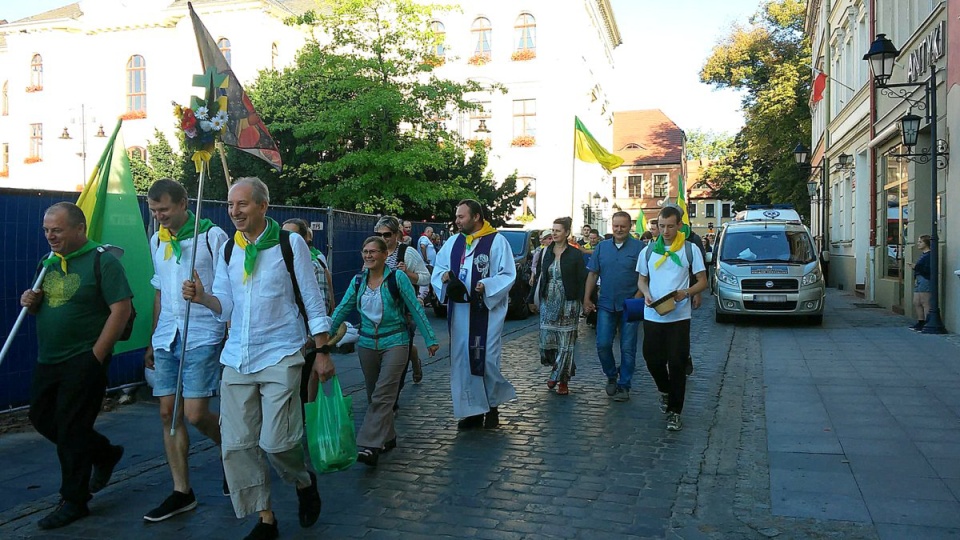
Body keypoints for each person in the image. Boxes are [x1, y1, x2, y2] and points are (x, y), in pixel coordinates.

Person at [182, 177, 329, 540]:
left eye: (242, 204)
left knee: (277, 441)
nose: (235, 212)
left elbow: (312, 300)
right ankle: (266, 518)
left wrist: (323, 351)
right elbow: (225, 303)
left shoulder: (288, 243)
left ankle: (302, 480)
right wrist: (203, 298)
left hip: (281, 351)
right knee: (235, 445)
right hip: (237, 357)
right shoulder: (229, 249)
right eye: (231, 205)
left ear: (263, 206)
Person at [21, 202, 132, 529]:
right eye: (46, 230)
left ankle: (74, 499)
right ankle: (104, 453)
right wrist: (31, 301)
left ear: (79, 229)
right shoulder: (49, 262)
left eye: (57, 230)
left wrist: (95, 356)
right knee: (41, 417)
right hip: (49, 357)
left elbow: (121, 309)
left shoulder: (103, 261)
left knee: (71, 426)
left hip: (83, 358)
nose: (50, 236)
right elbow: (44, 305)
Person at [143, 179, 229, 522]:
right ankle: (182, 491)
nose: (159, 216)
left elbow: (226, 288)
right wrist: (152, 338)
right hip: (168, 335)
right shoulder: (157, 240)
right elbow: (160, 291)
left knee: (195, 413)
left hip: (202, 333)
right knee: (168, 413)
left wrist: (206, 297)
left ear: (183, 204)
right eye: (153, 210)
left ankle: (232, 450)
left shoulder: (212, 237)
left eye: (164, 209)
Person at [329, 236, 439, 466]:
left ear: (383, 255)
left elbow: (414, 307)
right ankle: (387, 437)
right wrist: (324, 335)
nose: (368, 255)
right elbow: (343, 308)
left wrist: (429, 338)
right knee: (374, 396)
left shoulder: (396, 278)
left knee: (383, 394)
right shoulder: (358, 281)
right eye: (365, 251)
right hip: (367, 343)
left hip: (396, 341)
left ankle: (370, 445)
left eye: (373, 252)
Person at [431, 199, 517, 430]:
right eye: (457, 217)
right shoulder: (453, 243)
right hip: (459, 312)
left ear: (476, 217)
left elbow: (508, 273)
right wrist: (445, 279)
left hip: (485, 312)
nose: (457, 221)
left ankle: (493, 404)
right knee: (463, 361)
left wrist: (487, 286)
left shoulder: (497, 242)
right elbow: (439, 269)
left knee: (486, 359)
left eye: (461, 217)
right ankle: (472, 411)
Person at [636, 206, 707, 432]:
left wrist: (686, 293)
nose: (665, 231)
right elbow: (642, 280)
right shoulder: (648, 251)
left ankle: (675, 411)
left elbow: (702, 281)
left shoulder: (690, 249)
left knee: (676, 363)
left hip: (679, 315)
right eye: (661, 226)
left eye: (670, 226)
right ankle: (665, 391)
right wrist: (646, 294)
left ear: (679, 225)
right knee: (652, 359)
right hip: (653, 313)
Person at [281, 218, 341, 419]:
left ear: (306, 238)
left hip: (306, 337)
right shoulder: (280, 259)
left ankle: (307, 423)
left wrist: (315, 336)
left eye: (293, 234)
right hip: (289, 337)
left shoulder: (313, 261)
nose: (286, 239)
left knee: (303, 384)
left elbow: (321, 301)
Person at [584, 211, 644, 402]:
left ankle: (624, 384)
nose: (619, 229)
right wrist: (586, 298)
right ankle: (611, 374)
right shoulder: (601, 247)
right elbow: (592, 274)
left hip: (631, 303)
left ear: (630, 227)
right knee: (602, 344)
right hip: (606, 304)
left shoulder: (640, 248)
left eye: (623, 226)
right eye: (616, 226)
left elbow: (645, 276)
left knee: (628, 348)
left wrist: (637, 298)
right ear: (612, 226)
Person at [532, 217, 587, 395]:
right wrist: (532, 299)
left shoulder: (575, 254)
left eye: (558, 230)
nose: (554, 233)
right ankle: (558, 370)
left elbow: (582, 279)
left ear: (566, 233)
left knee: (566, 344)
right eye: (553, 230)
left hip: (569, 303)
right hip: (549, 302)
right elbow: (540, 276)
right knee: (548, 342)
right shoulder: (545, 252)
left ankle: (560, 378)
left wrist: (586, 300)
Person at [375, 216, 430, 387]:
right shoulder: (373, 251)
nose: (383, 239)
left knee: (399, 357)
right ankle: (413, 360)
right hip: (378, 313)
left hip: (402, 312)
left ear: (396, 234)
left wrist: (408, 274)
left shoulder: (406, 253)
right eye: (379, 235)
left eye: (387, 235)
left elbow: (425, 278)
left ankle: (393, 399)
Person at [907, 235, 932, 331]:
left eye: (920, 242)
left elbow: (928, 269)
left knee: (925, 302)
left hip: (925, 279)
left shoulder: (929, 255)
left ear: (926, 243)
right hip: (919, 278)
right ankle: (920, 321)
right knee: (916, 301)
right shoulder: (923, 255)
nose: (918, 243)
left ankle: (927, 322)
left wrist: (915, 267)